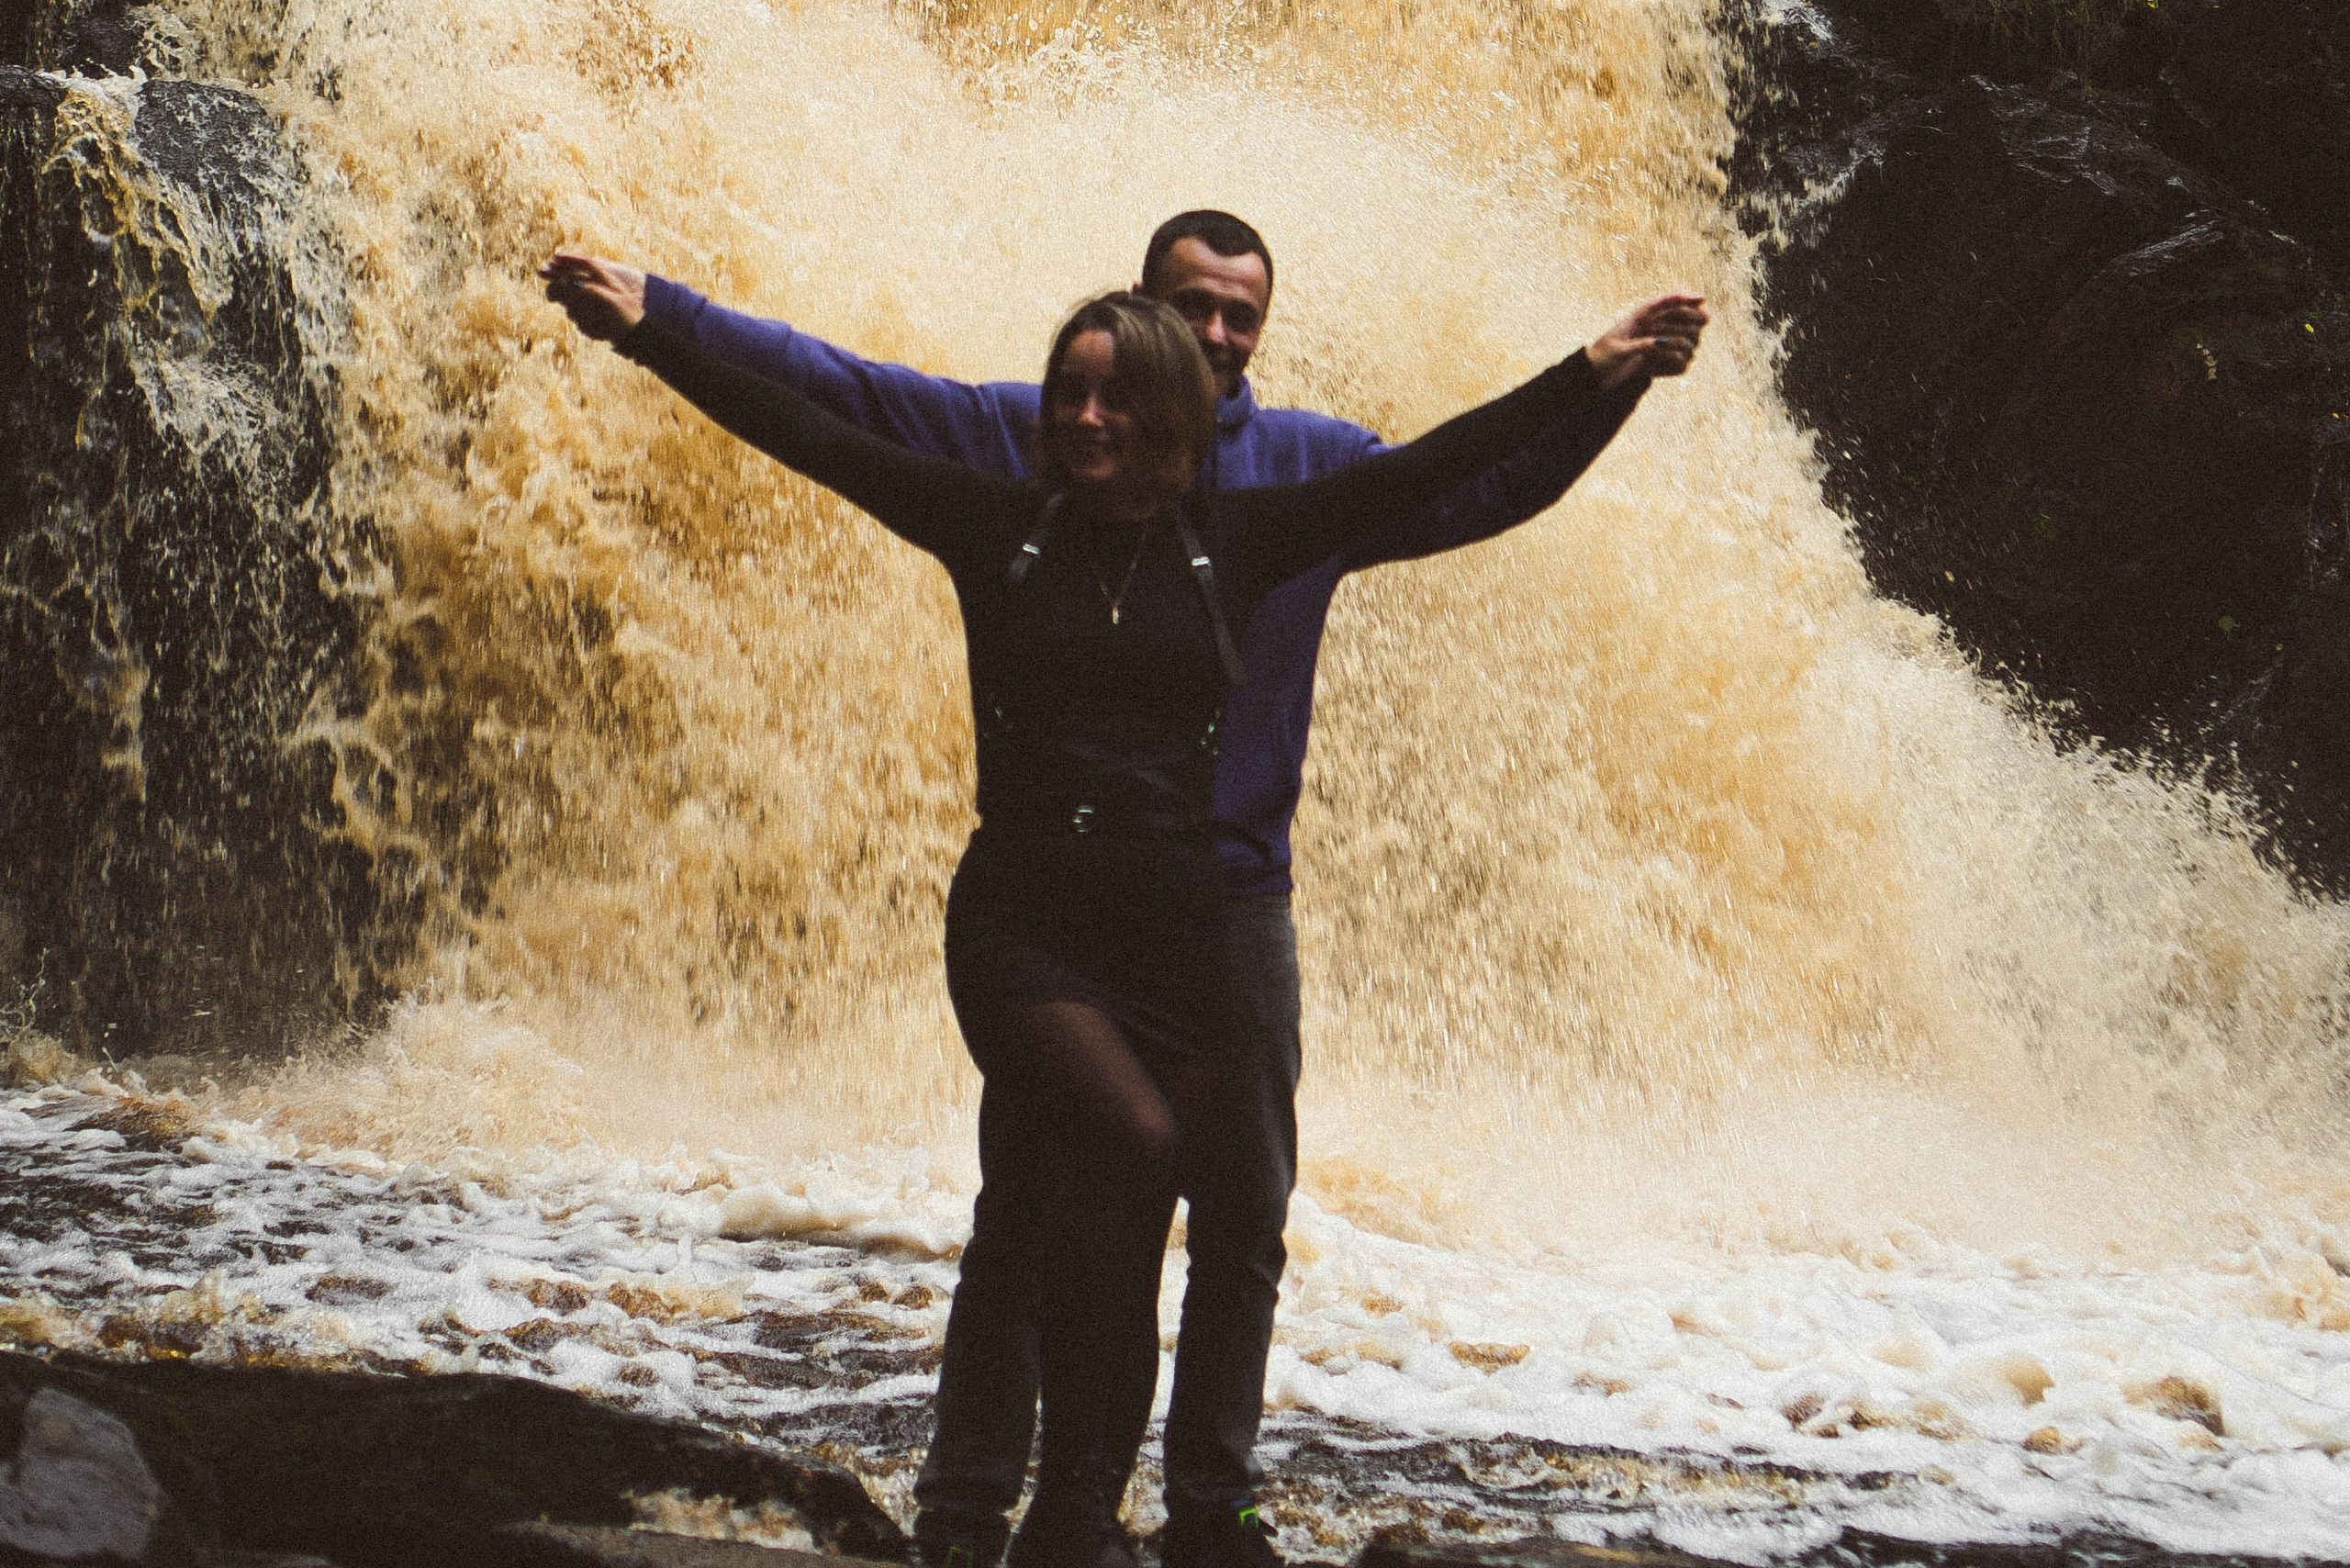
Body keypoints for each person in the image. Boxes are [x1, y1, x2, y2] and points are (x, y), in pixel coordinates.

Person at [549, 257, 1704, 1568]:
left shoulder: (1246, 540)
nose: (1086, 421)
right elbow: (815, 429)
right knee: (1123, 1150)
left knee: (1139, 1221)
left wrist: (1598, 373)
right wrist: (653, 337)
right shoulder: (998, 523)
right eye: (1069, 398)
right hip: (1025, 929)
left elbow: (1437, 469)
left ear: (1176, 420)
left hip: (1185, 933)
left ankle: (1082, 1515)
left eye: (1115, 403)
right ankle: (983, 1507)